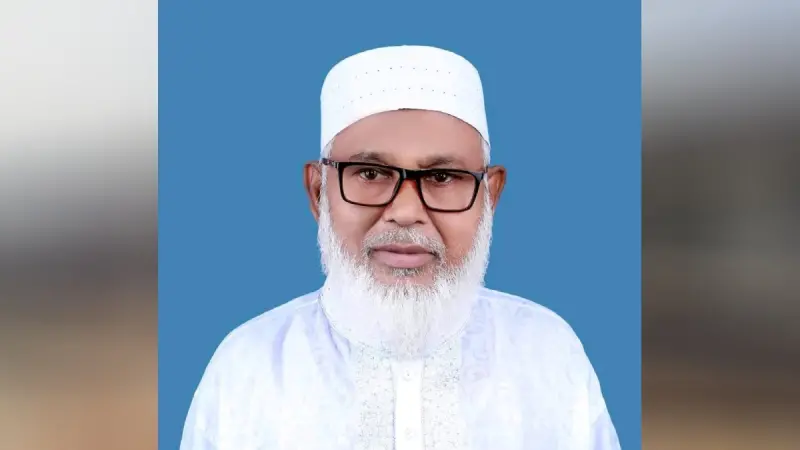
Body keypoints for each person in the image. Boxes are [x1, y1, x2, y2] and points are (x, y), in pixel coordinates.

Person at [180, 45, 621, 450]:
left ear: (489, 197)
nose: (406, 212)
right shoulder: (245, 369)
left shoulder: (549, 355)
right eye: (370, 174)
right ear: (318, 193)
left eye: (442, 177)